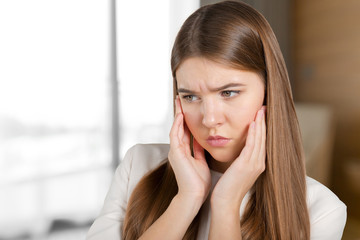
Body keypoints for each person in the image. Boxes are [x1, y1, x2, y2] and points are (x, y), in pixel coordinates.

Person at [86, 1, 347, 239]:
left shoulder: (320, 210)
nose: (210, 119)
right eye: (190, 97)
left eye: (228, 92)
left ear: (270, 91)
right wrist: (187, 198)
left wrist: (226, 203)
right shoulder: (138, 166)